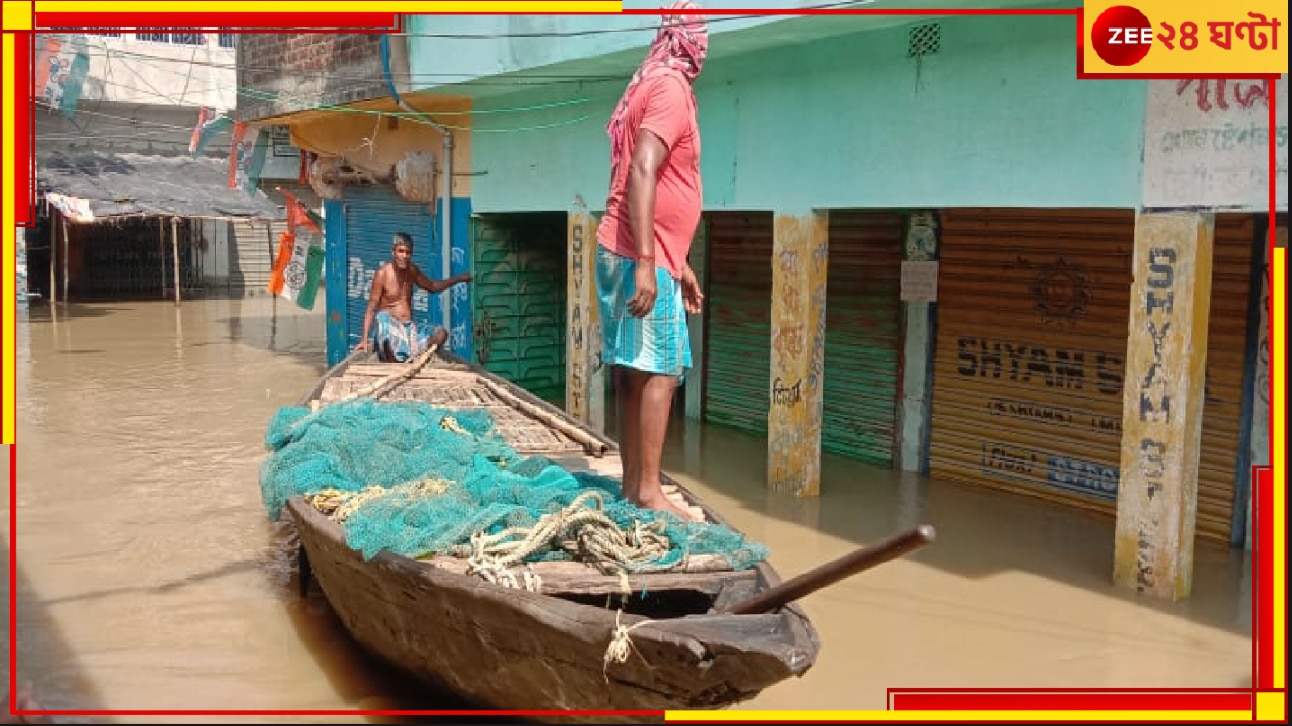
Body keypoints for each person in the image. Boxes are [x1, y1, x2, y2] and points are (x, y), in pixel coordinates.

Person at [595, 1, 708, 522]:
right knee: (662, 369)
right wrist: (649, 261)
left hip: (637, 249)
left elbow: (640, 181)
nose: (703, 44)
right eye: (700, 34)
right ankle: (647, 492)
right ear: (688, 40)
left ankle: (631, 485)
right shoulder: (670, 89)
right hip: (640, 255)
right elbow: (642, 170)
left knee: (631, 373)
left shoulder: (646, 83)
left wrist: (678, 262)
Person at [357, 232, 472, 362]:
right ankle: (395, 356)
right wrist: (364, 340)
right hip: (390, 329)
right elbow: (371, 308)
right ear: (393, 252)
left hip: (409, 329)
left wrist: (459, 278)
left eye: (408, 253)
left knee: (441, 334)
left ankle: (417, 354)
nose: (404, 256)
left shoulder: (412, 271)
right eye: (401, 251)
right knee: (382, 319)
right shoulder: (382, 274)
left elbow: (432, 286)